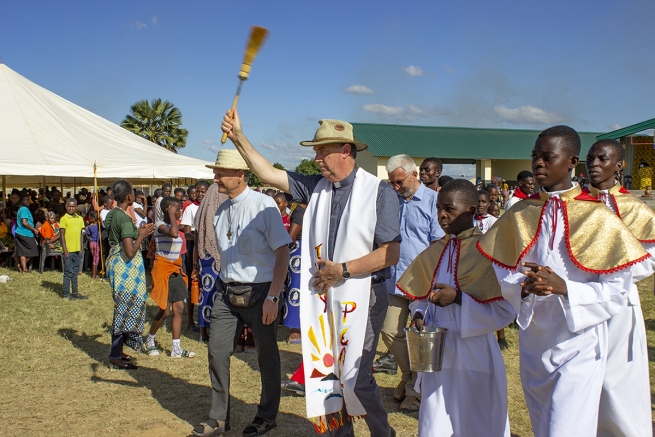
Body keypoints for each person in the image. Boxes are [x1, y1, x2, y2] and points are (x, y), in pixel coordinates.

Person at [220, 111, 400, 437]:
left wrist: (342, 270)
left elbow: (390, 253)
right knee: (324, 374)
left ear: (346, 150)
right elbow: (268, 173)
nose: (315, 158)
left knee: (356, 378)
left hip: (365, 295)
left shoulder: (379, 191)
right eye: (315, 151)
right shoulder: (314, 186)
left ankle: (382, 433)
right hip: (324, 296)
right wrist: (238, 137)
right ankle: (337, 433)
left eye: (321, 151)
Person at [478, 125, 650, 436]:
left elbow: (617, 288)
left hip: (579, 340)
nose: (538, 163)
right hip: (534, 342)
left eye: (547, 157)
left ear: (571, 162)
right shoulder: (520, 213)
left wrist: (565, 288)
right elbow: (503, 269)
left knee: (566, 428)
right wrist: (522, 286)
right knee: (543, 424)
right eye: (534, 157)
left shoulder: (598, 217)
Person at [398, 179, 514, 437]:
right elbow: (420, 294)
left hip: (473, 349)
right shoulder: (434, 250)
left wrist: (460, 298)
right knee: (435, 419)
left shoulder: (488, 250)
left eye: (449, 208)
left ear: (470, 211)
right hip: (437, 350)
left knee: (476, 418)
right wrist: (418, 313)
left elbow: (506, 309)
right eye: (439, 207)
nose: (441, 214)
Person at [192, 149, 291, 437]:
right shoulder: (221, 210)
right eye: (215, 172)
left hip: (261, 293)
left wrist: (273, 296)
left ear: (240, 175)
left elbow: (283, 253)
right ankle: (219, 418)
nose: (215, 178)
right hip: (226, 291)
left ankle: (267, 416)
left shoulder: (264, 206)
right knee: (217, 352)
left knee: (267, 356)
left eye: (221, 173)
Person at [584, 139, 655, 437]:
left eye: (602, 158)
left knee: (618, 378)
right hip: (581, 302)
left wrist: (610, 272)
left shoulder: (635, 208)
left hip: (621, 304)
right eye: (591, 158)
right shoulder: (576, 205)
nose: (595, 164)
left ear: (620, 165)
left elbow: (648, 258)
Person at [377, 154, 443, 413]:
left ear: (414, 175)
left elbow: (438, 244)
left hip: (422, 283)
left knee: (420, 338)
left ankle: (415, 391)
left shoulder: (434, 202)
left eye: (400, 181)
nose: (396, 186)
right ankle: (409, 376)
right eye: (392, 182)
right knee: (389, 330)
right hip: (394, 279)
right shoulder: (392, 200)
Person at [105, 180, 155, 369]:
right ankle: (115, 355)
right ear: (129, 197)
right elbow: (130, 251)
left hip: (116, 263)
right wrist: (141, 235)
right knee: (124, 309)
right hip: (125, 269)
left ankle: (118, 350)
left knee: (123, 307)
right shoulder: (124, 219)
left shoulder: (112, 214)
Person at [143, 196, 195, 358]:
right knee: (165, 311)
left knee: (179, 308)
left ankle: (176, 348)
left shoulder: (176, 225)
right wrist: (172, 216)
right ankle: (149, 340)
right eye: (177, 209)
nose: (180, 212)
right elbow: (173, 234)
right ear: (168, 209)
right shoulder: (160, 225)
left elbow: (184, 234)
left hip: (175, 269)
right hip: (162, 269)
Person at [191, 183, 229, 343]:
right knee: (219, 295)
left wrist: (194, 264)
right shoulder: (224, 211)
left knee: (205, 295)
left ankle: (203, 332)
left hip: (204, 258)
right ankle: (214, 332)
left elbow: (196, 240)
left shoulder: (201, 212)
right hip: (218, 257)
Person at [182, 180, 211, 332]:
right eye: (198, 191)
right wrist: (200, 237)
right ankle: (190, 320)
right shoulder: (190, 209)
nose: (200, 194)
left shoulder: (212, 208)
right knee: (192, 284)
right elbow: (187, 234)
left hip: (209, 250)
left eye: (203, 191)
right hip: (193, 248)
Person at [282, 201, 306, 343]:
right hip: (298, 253)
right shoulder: (300, 212)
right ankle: (294, 329)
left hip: (307, 253)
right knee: (295, 289)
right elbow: (291, 237)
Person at [60, 198, 87, 300]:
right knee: (68, 272)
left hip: (77, 250)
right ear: (66, 206)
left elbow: (81, 234)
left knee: (75, 273)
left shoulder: (80, 219)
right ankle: (66, 293)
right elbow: (62, 236)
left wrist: (81, 248)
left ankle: (75, 292)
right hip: (69, 250)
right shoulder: (64, 219)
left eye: (73, 206)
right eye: (69, 206)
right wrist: (65, 250)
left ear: (76, 207)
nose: (71, 208)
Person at [15, 194, 39, 273]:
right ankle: (20, 264)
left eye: (28, 199)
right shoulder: (24, 209)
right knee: (34, 250)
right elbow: (24, 222)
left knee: (23, 251)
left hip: (20, 232)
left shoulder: (21, 209)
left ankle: (24, 268)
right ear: (21, 201)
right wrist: (33, 229)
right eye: (25, 200)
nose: (27, 201)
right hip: (26, 233)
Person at [85, 211, 101, 279]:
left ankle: (94, 274)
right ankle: (94, 275)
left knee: (94, 258)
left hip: (91, 243)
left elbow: (88, 234)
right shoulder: (98, 225)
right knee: (96, 258)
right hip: (96, 243)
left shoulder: (89, 227)